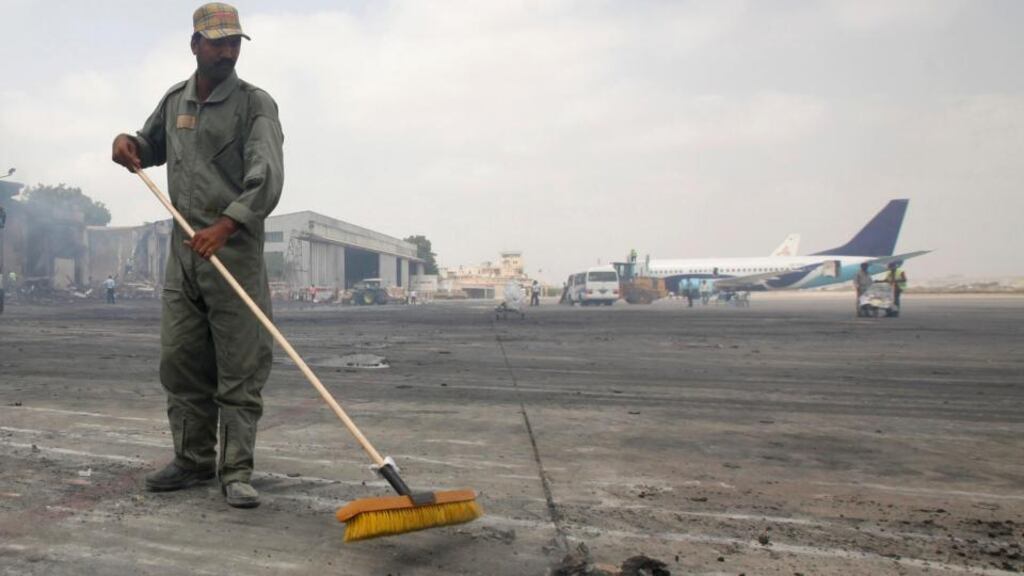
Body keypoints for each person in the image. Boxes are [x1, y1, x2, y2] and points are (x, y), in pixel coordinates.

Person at [110, 2, 284, 509]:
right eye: (217, 42)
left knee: (240, 367)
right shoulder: (175, 100)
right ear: (195, 45)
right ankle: (192, 460)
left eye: (234, 42)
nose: (227, 51)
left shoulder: (256, 105)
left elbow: (266, 177)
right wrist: (127, 145)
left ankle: (236, 471)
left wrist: (226, 226)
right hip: (184, 259)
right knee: (181, 362)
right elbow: (148, 146)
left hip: (233, 256)